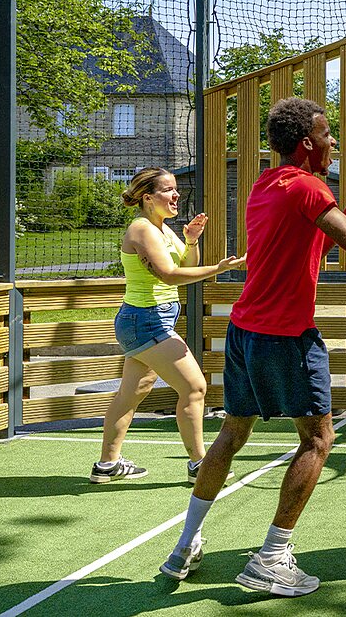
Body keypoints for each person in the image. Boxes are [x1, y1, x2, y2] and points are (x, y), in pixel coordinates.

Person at [160, 97, 346, 595]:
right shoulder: (309, 188)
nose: (334, 142)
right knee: (317, 440)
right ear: (308, 143)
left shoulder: (268, 185)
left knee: (231, 435)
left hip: (244, 330)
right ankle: (270, 556)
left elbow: (312, 241)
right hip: (285, 336)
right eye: (328, 134)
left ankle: (185, 543)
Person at [93, 168, 244, 485]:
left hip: (147, 320)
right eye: (168, 190)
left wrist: (190, 242)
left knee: (132, 393)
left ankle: (107, 465)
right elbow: (169, 276)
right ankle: (199, 464)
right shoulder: (143, 230)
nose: (176, 195)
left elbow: (185, 265)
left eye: (176, 189)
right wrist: (218, 268)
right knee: (194, 387)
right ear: (148, 197)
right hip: (146, 321)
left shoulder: (163, 229)